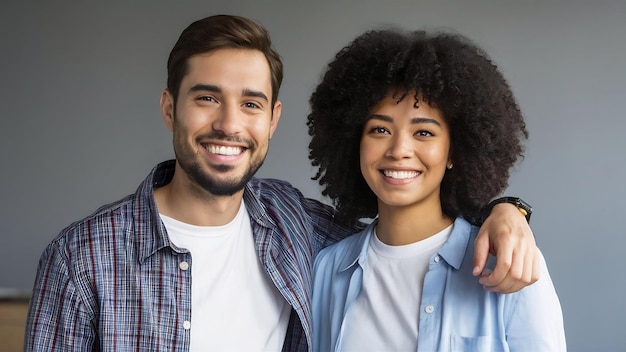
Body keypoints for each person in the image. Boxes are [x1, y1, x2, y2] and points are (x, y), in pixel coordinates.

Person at [25, 15, 539, 352]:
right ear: (169, 108)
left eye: (250, 103)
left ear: (272, 119)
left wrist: (506, 209)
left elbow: (402, 221)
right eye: (207, 98)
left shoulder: (292, 224)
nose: (229, 124)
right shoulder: (81, 258)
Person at [309, 28, 566, 351]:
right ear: (353, 143)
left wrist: (510, 209)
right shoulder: (327, 270)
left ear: (454, 152)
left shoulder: (509, 263)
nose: (399, 149)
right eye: (380, 129)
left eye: (424, 133)